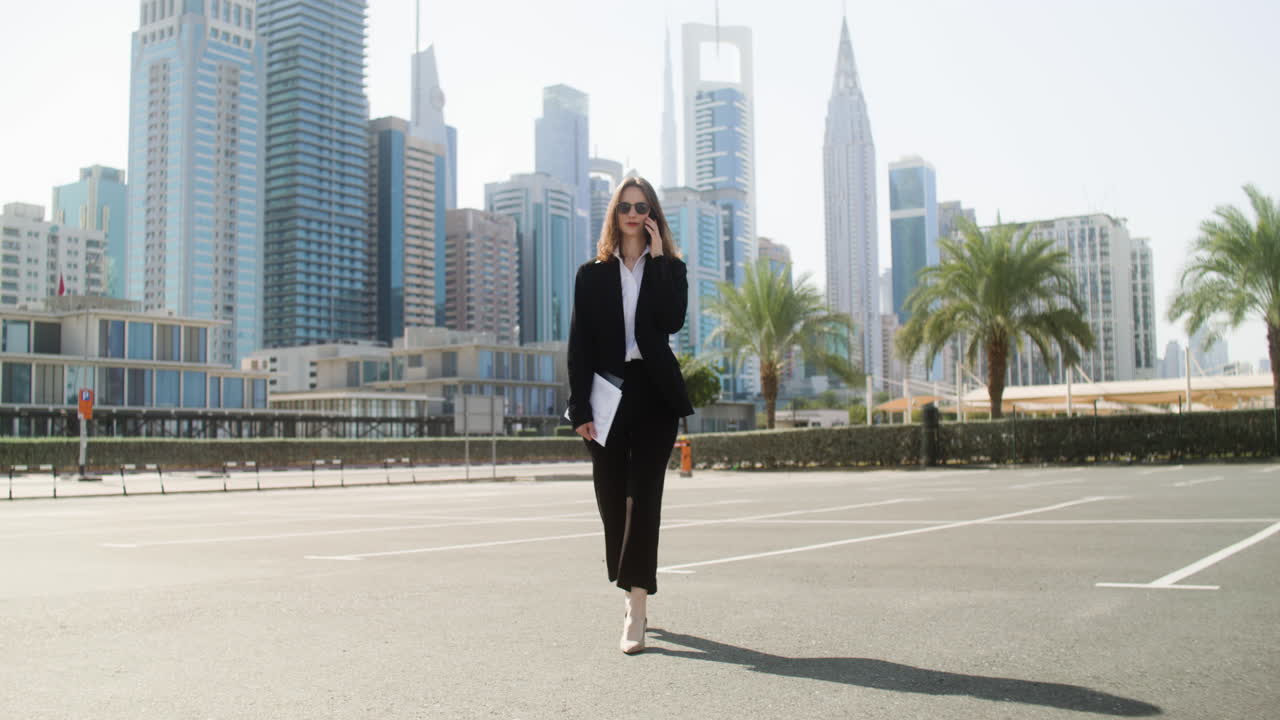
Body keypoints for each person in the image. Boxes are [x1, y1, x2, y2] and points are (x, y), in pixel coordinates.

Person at [566, 176, 694, 655]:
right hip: (607, 393)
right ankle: (628, 584)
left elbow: (671, 321)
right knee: (611, 498)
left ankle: (636, 607)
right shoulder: (591, 275)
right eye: (626, 207)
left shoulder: (672, 268)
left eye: (642, 207)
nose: (634, 214)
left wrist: (659, 261)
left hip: (655, 393)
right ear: (614, 214)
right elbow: (579, 345)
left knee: (645, 498)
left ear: (653, 214)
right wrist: (580, 407)